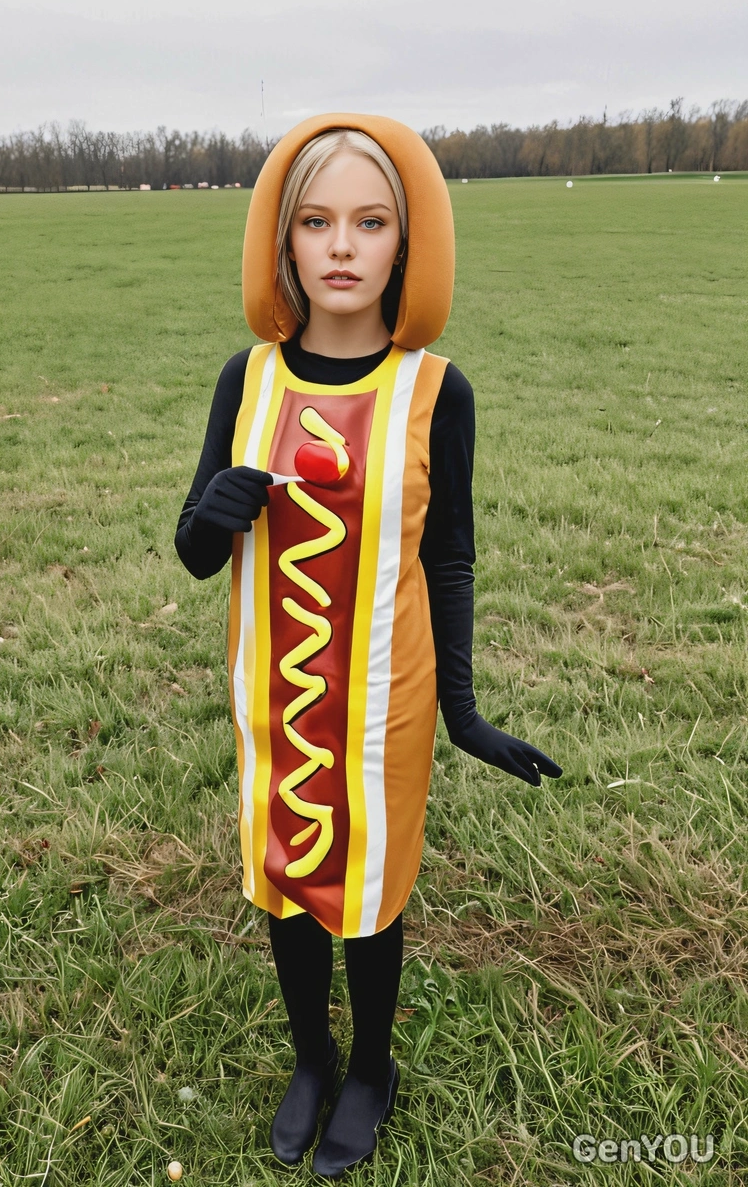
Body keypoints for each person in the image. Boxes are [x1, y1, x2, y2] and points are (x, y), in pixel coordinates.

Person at [174, 114, 562, 1179]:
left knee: (370, 890)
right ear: (283, 243)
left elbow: (450, 557)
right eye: (316, 221)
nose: (342, 246)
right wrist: (214, 511)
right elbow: (196, 554)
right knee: (287, 874)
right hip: (273, 700)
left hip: (384, 699)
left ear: (407, 242)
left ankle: (373, 1068)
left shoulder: (437, 392)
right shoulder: (245, 381)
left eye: (370, 221)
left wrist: (464, 711)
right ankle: (313, 1055)